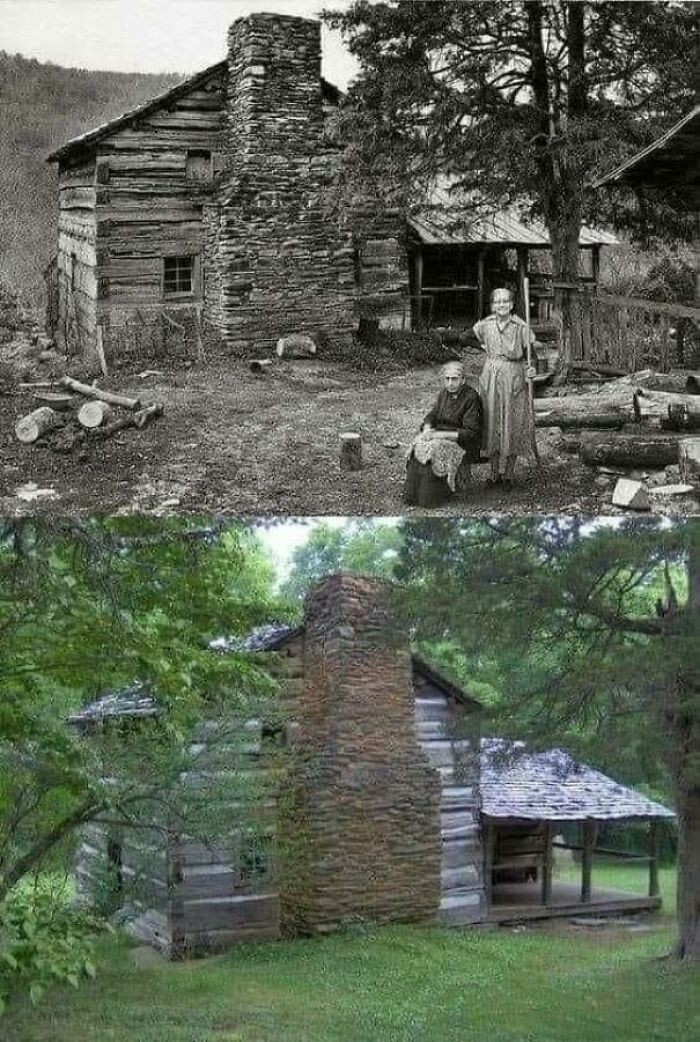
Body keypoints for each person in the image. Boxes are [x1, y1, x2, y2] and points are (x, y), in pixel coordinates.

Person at [473, 287, 538, 488]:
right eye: (497, 301)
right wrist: (485, 349)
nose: (501, 305)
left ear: (511, 305)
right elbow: (464, 337)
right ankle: (493, 474)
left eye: (505, 301)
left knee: (513, 421)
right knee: (491, 420)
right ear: (493, 306)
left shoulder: (520, 326)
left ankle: (509, 474)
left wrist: (532, 368)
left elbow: (533, 354)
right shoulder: (485, 325)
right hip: (491, 374)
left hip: (514, 374)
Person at [404, 360, 483, 507]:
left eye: (454, 379)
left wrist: (439, 435)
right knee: (419, 445)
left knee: (433, 450)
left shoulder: (471, 398)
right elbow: (432, 415)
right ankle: (412, 494)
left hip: (462, 443)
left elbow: (470, 433)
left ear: (463, 380)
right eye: (447, 379)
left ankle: (431, 496)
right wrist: (427, 428)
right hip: (440, 435)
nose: (450, 383)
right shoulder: (444, 394)